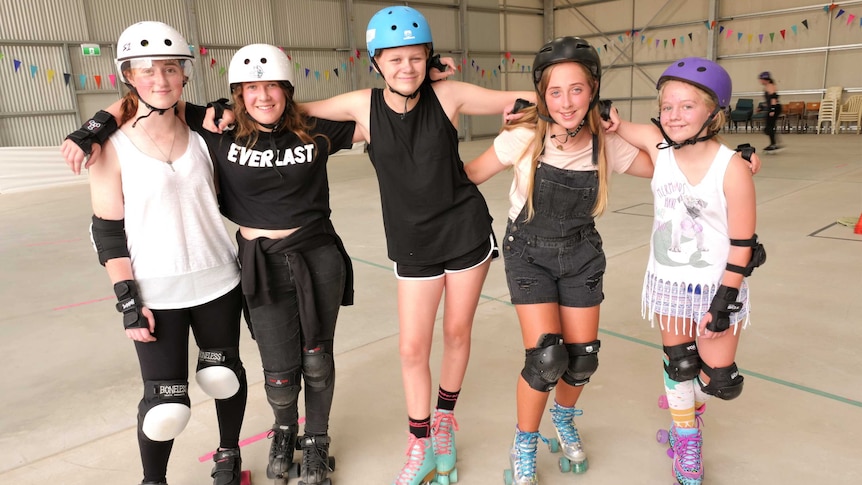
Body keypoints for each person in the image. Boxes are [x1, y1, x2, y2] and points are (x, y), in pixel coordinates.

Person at [62, 43, 361, 485]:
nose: (263, 96)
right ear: (238, 95)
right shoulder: (220, 130)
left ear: (288, 90)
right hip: (257, 264)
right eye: (251, 88)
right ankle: (283, 432)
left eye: (273, 86)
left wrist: (422, 82)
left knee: (315, 359)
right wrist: (92, 127)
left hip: (315, 256)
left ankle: (316, 441)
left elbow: (377, 113)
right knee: (276, 369)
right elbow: (148, 96)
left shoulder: (312, 131)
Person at [294, 6, 535, 485]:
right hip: (413, 243)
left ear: (430, 58)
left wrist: (531, 106)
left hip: (465, 231)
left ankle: (443, 427)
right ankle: (420, 442)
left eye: (416, 58)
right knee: (411, 348)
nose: (407, 68)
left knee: (457, 334)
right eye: (395, 59)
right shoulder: (364, 105)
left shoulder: (449, 94)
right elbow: (293, 110)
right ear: (377, 63)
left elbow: (531, 97)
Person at [464, 37, 655, 484]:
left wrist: (731, 159)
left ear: (593, 91)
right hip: (527, 251)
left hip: (582, 253)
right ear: (541, 95)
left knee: (582, 359)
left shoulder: (605, 143)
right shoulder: (525, 135)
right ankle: (524, 443)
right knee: (547, 357)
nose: (566, 102)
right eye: (554, 91)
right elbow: (470, 173)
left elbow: (666, 162)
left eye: (576, 90)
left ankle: (564, 418)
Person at [66, 21, 248, 485]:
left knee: (223, 377)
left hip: (218, 283)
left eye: (170, 69)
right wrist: (128, 299)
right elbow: (108, 231)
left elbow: (273, 112)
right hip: (156, 293)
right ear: (128, 76)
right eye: (146, 71)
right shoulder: (109, 146)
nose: (160, 80)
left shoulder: (208, 132)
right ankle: (154, 480)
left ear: (185, 74)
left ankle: (228, 455)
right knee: (165, 405)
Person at [607, 57, 766, 485]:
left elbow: (743, 245)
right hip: (670, 284)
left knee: (719, 380)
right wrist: (605, 115)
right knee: (679, 364)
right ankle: (686, 439)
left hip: (717, 287)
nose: (674, 115)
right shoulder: (659, 149)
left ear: (715, 112)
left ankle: (687, 413)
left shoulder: (732, 167)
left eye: (687, 106)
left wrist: (724, 302)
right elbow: (614, 124)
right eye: (667, 106)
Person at [758, 71, 782, 152]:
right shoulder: (767, 86)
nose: (760, 81)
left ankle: (774, 144)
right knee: (769, 126)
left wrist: (772, 109)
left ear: (765, 79)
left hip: (775, 108)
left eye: (761, 79)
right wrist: (762, 107)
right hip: (773, 107)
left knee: (769, 127)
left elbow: (773, 98)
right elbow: (769, 100)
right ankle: (774, 143)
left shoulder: (770, 86)